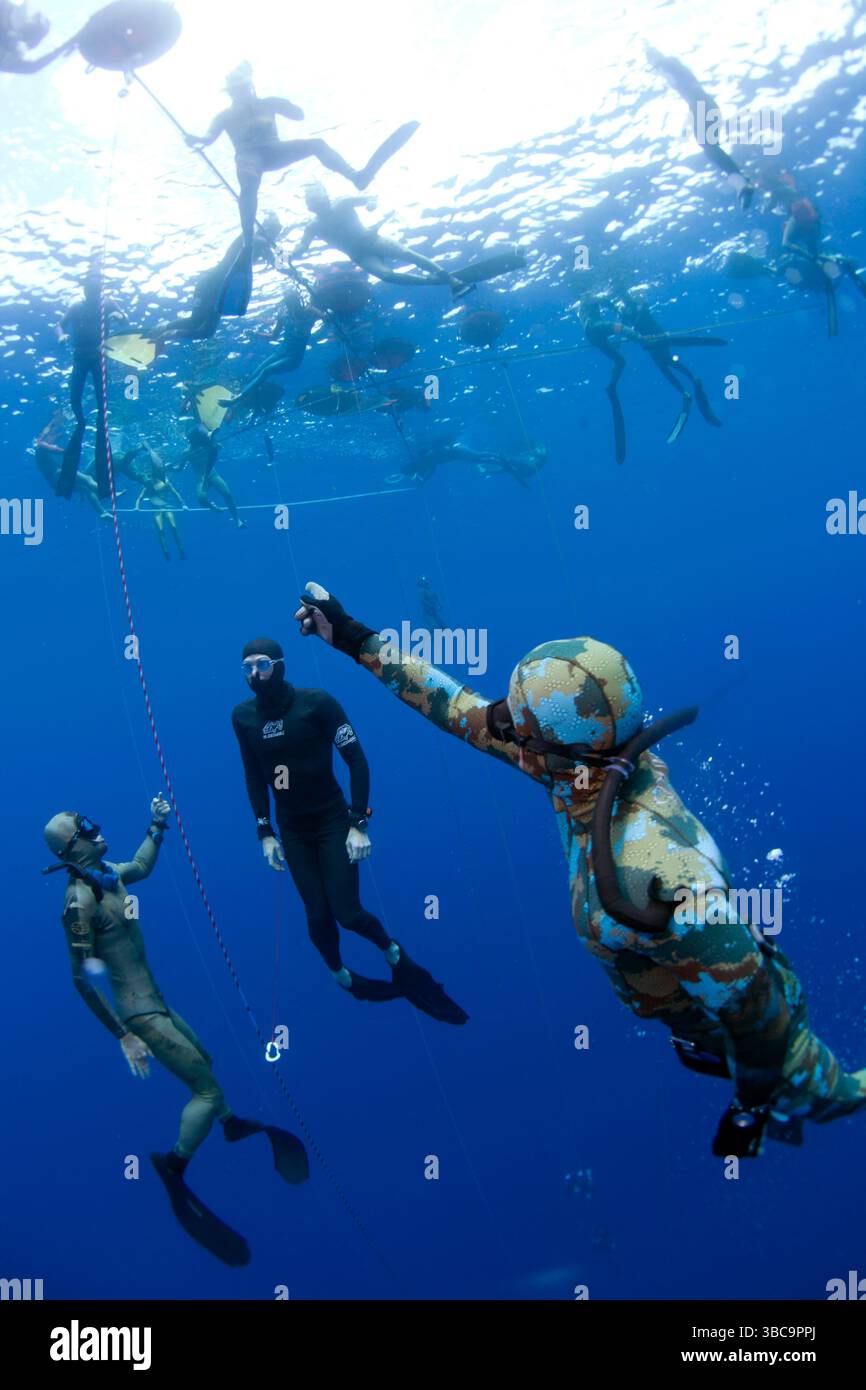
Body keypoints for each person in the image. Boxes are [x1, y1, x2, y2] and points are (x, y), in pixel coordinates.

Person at [293, 584, 866, 1155]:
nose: (500, 725)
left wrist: (749, 1113)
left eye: (518, 724)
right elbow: (454, 706)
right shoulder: (582, 770)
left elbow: (757, 1014)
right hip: (704, 1023)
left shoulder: (656, 874)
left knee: (838, 1096)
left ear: (562, 750)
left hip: (769, 1049)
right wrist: (349, 635)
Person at [43, 801, 309, 1263]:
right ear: (72, 847)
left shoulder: (107, 874)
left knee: (205, 1060)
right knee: (204, 1090)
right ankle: (174, 1164)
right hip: (140, 1017)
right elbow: (81, 979)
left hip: (157, 1004)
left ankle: (229, 1125)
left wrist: (157, 824)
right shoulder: (78, 902)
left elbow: (142, 864)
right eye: (85, 827)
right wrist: (123, 1036)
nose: (96, 827)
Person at [231, 637, 467, 1024]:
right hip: (292, 829)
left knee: (347, 913)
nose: (254, 675)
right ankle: (343, 977)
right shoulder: (243, 718)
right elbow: (253, 776)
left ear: (280, 664)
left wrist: (358, 824)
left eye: (262, 665)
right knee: (316, 917)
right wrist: (264, 832)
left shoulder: (317, 703)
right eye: (247, 668)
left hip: (332, 822)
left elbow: (356, 760)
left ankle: (394, 954)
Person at [184, 63, 419, 250]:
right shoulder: (224, 116)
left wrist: (282, 104)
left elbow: (299, 115)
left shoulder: (267, 103)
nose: (241, 93)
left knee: (317, 144)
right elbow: (207, 137)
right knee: (248, 183)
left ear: (250, 86)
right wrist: (196, 139)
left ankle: (356, 177)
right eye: (236, 90)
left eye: (243, 88)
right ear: (231, 93)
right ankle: (248, 238)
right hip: (249, 156)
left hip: (275, 151)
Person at [294, 187, 469, 296]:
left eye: (319, 198)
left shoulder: (343, 203)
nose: (319, 203)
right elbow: (303, 245)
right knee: (387, 275)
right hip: (359, 254)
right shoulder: (313, 226)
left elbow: (370, 197)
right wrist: (295, 252)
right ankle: (434, 280)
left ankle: (452, 280)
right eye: (314, 201)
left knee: (407, 254)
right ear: (310, 206)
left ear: (326, 196)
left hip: (371, 240)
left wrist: (371, 203)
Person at [645, 44, 755, 210]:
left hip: (703, 105)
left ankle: (741, 182)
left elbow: (678, 79)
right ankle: (740, 181)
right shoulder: (673, 67)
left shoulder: (668, 66)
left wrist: (655, 62)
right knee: (710, 148)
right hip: (704, 105)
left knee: (709, 148)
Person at [152, 216, 282, 342]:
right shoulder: (250, 236)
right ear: (266, 228)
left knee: (207, 332)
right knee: (196, 321)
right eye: (275, 233)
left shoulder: (262, 245)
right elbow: (264, 246)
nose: (275, 237)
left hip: (222, 290)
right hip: (210, 284)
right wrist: (274, 247)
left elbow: (276, 262)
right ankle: (164, 328)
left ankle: (168, 333)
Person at [56, 269, 126, 498]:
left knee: (101, 403)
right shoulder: (77, 306)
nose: (94, 295)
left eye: (97, 291)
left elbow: (123, 316)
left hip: (98, 357)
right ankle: (81, 423)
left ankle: (97, 426)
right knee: (74, 399)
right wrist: (61, 335)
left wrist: (118, 317)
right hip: (81, 356)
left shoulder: (108, 301)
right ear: (85, 291)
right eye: (90, 291)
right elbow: (60, 324)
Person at [618, 291, 723, 442]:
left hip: (656, 339)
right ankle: (688, 387)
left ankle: (689, 385)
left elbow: (642, 316)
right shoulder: (625, 311)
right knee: (665, 364)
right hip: (650, 343)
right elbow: (625, 328)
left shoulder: (637, 304)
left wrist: (635, 328)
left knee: (666, 363)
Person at [219, 287, 318, 409]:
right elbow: (273, 336)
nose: (290, 307)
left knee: (267, 371)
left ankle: (238, 398)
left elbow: (326, 317)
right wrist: (255, 334)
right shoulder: (284, 316)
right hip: (280, 352)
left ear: (298, 302)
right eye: (288, 304)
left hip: (293, 357)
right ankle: (246, 399)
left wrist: (316, 309)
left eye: (292, 304)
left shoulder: (308, 314)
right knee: (253, 375)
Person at [578, 295, 629, 464]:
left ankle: (611, 386)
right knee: (621, 358)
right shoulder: (589, 299)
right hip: (596, 330)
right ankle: (612, 385)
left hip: (593, 335)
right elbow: (607, 305)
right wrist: (616, 309)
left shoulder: (582, 307)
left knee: (620, 360)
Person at [33, 416, 110, 517]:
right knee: (88, 478)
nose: (55, 437)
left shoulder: (40, 453)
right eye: (54, 434)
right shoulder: (41, 444)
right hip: (58, 475)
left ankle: (103, 512)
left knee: (86, 489)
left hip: (55, 484)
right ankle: (109, 494)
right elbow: (59, 450)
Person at [178, 422, 245, 528]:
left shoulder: (204, 444)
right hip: (201, 478)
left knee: (227, 494)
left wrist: (213, 443)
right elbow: (179, 468)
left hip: (213, 475)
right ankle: (213, 507)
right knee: (201, 499)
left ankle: (237, 520)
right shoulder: (186, 453)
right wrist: (171, 468)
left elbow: (218, 447)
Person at [134, 443, 187, 560]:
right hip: (156, 509)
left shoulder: (165, 482)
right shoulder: (149, 484)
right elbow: (139, 498)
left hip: (166, 507)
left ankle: (181, 548)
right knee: (161, 530)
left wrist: (183, 505)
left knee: (173, 527)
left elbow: (176, 494)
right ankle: (166, 551)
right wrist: (137, 507)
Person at [0, 0, 74, 72]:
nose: (29, 17)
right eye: (33, 17)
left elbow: (33, 67)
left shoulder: (9, 47)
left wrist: (67, 45)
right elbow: (33, 67)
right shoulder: (8, 11)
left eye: (34, 19)